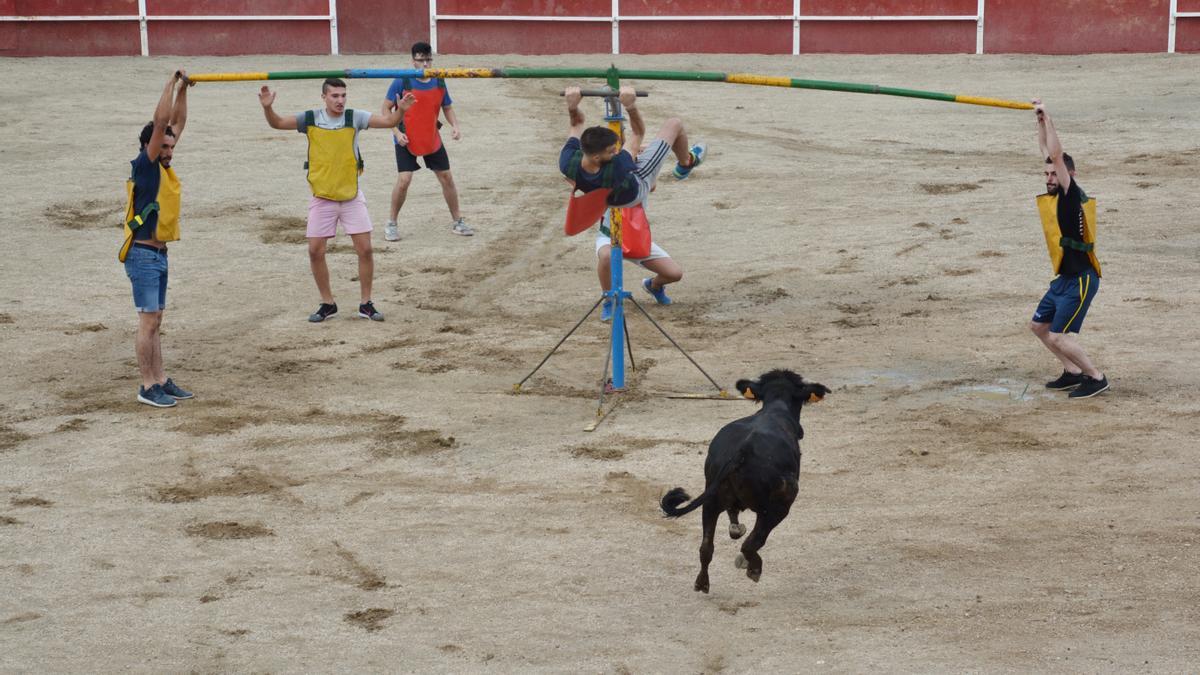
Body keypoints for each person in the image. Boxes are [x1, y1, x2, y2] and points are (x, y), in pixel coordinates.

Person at [259, 78, 412, 322]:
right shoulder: (310, 119)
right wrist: (268, 107)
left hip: (351, 195)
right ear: (324, 97)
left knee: (365, 249)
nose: (340, 101)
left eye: (343, 95)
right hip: (322, 197)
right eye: (335, 96)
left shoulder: (355, 117)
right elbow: (277, 123)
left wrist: (401, 110)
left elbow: (389, 121)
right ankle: (328, 303)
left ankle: (366, 303)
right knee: (315, 251)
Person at [121, 70, 194, 408]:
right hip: (143, 254)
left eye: (170, 145)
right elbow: (162, 119)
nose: (170, 149)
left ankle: (161, 379)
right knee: (148, 321)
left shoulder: (162, 164)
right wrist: (169, 83)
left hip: (159, 254)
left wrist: (184, 90)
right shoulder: (146, 163)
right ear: (150, 146)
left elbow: (175, 122)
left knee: (156, 320)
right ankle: (146, 385)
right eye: (164, 145)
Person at [1030, 100, 1108, 399]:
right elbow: (1048, 154)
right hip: (1064, 278)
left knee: (1061, 337)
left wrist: (1049, 118)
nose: (1049, 178)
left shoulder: (1070, 193)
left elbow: (1056, 155)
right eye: (1046, 174)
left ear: (1069, 175)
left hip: (1081, 280)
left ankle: (1096, 377)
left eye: (1054, 174)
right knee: (1038, 327)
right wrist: (1039, 124)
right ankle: (1072, 371)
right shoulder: (1059, 191)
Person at [591, 95, 682, 321]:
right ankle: (609, 298)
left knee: (674, 273)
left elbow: (651, 185)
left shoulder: (635, 168)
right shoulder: (599, 172)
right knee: (605, 257)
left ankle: (653, 285)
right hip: (610, 235)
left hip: (635, 236)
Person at [559, 85, 706, 218]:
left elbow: (576, 123)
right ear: (597, 157)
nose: (617, 151)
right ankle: (686, 163)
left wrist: (572, 107)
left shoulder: (568, 160)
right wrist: (630, 106)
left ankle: (651, 177)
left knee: (638, 151)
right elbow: (638, 133)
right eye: (612, 151)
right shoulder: (618, 164)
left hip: (604, 195)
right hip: (632, 193)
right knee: (674, 124)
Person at [382, 41, 472, 239]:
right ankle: (392, 223)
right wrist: (397, 134)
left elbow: (446, 107)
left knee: (446, 177)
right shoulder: (402, 81)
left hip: (431, 136)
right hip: (405, 138)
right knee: (404, 180)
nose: (425, 64)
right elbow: (385, 109)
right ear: (413, 61)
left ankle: (458, 221)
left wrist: (455, 126)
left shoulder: (439, 80)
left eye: (428, 60)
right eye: (421, 60)